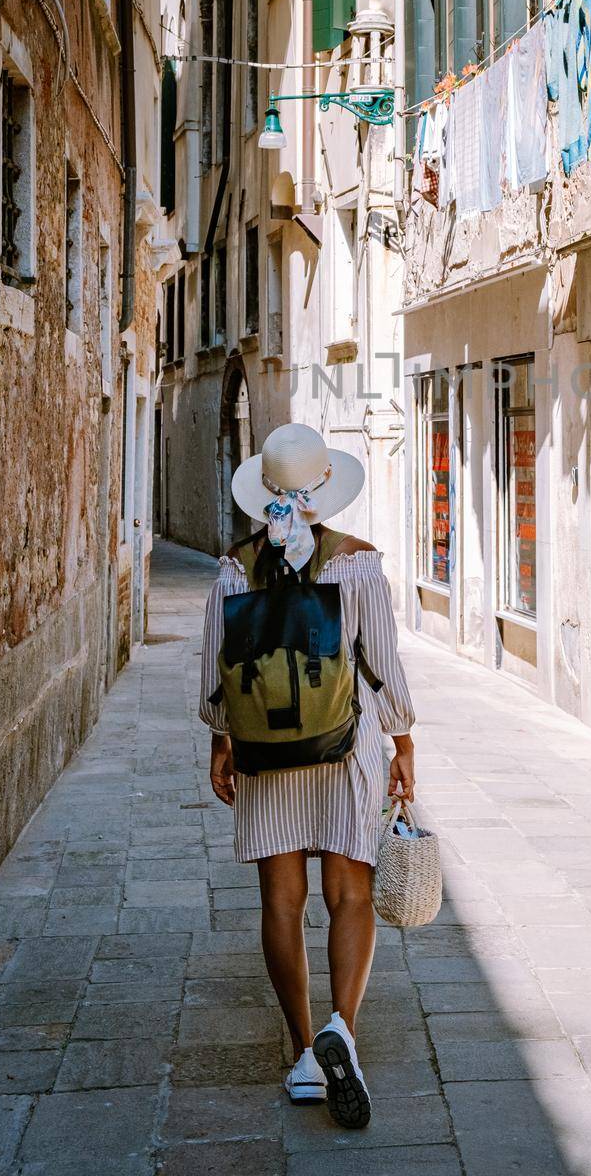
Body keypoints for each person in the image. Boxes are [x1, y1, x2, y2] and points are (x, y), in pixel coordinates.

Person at [198, 422, 416, 1129]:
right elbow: (381, 666)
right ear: (324, 488)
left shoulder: (233, 568)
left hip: (265, 749)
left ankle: (300, 1052)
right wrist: (403, 744)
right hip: (342, 744)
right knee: (349, 892)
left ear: (264, 493)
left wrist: (222, 743)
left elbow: (214, 675)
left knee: (281, 900)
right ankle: (340, 1031)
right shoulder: (356, 565)